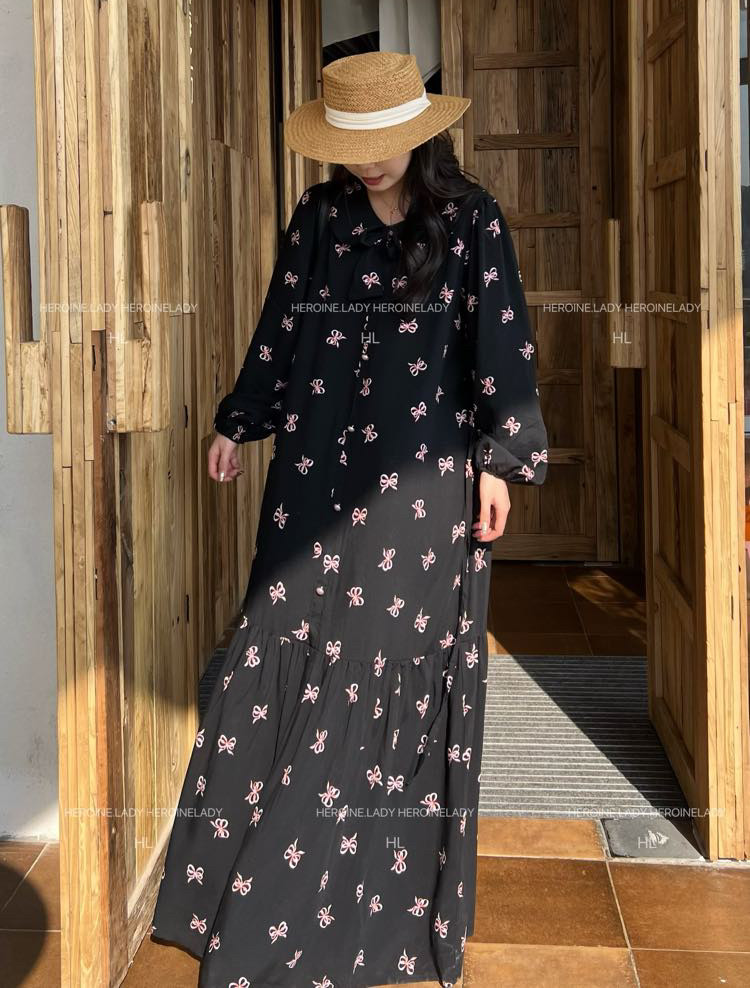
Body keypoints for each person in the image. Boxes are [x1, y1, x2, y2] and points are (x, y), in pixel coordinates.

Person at [150, 50, 548, 988]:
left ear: (419, 134)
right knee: (283, 633)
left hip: (420, 482)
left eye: (382, 144)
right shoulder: (320, 216)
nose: (366, 163)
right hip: (316, 463)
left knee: (388, 653)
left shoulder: (471, 219)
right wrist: (239, 420)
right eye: (350, 146)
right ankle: (244, 888)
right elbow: (282, 323)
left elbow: (501, 342)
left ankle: (375, 907)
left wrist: (501, 461)